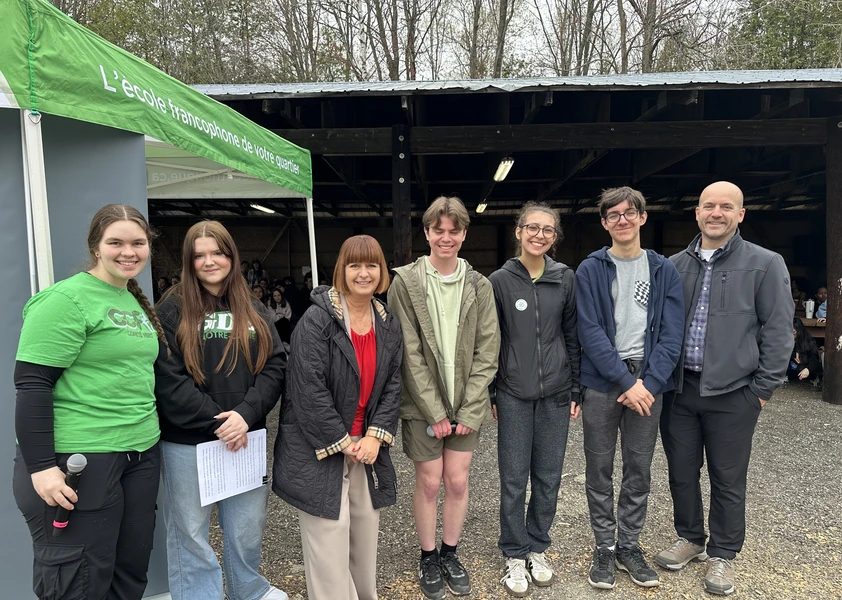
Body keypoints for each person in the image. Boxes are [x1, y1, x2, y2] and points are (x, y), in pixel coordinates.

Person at [13, 204, 166, 599]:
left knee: (128, 573)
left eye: (138, 242)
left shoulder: (130, 297)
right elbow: (32, 385)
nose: (128, 251)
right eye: (115, 242)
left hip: (139, 452)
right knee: (78, 582)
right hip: (80, 458)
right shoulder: (65, 299)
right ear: (96, 247)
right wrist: (43, 468)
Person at [658, 181, 793, 596]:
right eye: (708, 206)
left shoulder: (766, 263)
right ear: (697, 213)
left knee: (728, 477)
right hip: (680, 390)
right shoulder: (673, 265)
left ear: (740, 214)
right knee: (681, 472)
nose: (716, 213)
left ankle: (723, 554)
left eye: (726, 207)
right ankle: (691, 539)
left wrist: (762, 389)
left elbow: (778, 329)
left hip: (734, 392)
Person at [154, 221, 287, 600]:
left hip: (246, 436)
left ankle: (249, 589)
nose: (210, 261)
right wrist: (219, 422)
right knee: (190, 534)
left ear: (232, 257)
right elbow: (169, 378)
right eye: (200, 255)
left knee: (247, 528)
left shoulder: (254, 307)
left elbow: (275, 365)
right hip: (189, 443)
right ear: (188, 261)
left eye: (218, 252)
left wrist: (245, 414)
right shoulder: (172, 309)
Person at [273, 235, 403, 600]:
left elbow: (394, 383)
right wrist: (342, 441)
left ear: (382, 272)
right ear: (341, 271)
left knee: (364, 536)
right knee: (329, 543)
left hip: (366, 446)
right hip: (322, 446)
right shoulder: (317, 321)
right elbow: (307, 389)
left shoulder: (387, 323)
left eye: (372, 265)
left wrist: (376, 436)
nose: (364, 273)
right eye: (354, 265)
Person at [388, 196, 500, 600]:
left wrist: (471, 408)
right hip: (423, 405)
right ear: (427, 232)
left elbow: (488, 350)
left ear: (464, 234)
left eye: (454, 230)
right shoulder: (405, 282)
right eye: (439, 230)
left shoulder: (479, 285)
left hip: (465, 404)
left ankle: (451, 552)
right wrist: (434, 410)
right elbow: (408, 350)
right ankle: (428, 555)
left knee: (457, 481)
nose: (446, 237)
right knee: (430, 482)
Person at [575, 187, 685, 590]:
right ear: (604, 223)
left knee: (638, 468)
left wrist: (648, 384)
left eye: (629, 213)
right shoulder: (590, 269)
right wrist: (625, 382)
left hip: (649, 381)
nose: (622, 220)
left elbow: (673, 333)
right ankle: (604, 547)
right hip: (604, 381)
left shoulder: (662, 270)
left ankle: (629, 545)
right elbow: (589, 331)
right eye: (613, 215)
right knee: (599, 468)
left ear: (642, 217)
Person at [489, 202, 581, 597]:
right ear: (519, 231)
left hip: (557, 394)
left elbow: (573, 336)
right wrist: (492, 390)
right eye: (533, 228)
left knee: (548, 476)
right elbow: (491, 342)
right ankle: (514, 551)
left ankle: (537, 546)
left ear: (555, 236)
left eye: (548, 230)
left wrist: (576, 387)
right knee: (513, 477)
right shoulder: (499, 280)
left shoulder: (565, 278)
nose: (540, 235)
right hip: (513, 392)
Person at [786, 317, 822, 384]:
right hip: (789, 368)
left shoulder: (808, 342)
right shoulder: (784, 340)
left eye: (794, 332)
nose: (792, 335)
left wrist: (808, 369)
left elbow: (814, 360)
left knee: (801, 369)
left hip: (803, 368)